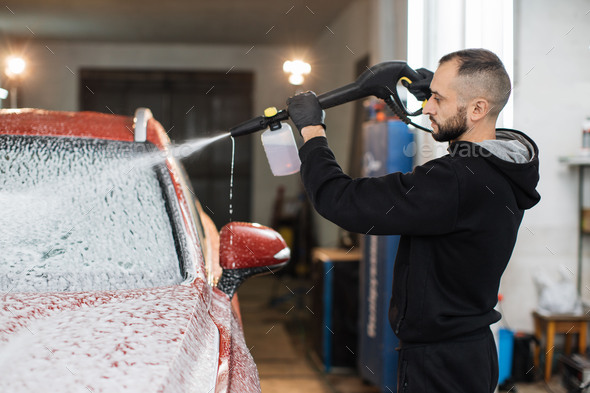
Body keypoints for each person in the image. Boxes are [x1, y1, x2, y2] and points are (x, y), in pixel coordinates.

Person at [286, 48, 540, 392]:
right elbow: (475, 142)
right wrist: (436, 92)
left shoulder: (456, 182)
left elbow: (342, 201)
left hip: (440, 367)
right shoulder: (502, 169)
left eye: (437, 98)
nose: (428, 108)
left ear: (478, 108)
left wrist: (312, 132)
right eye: (429, 95)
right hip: (470, 354)